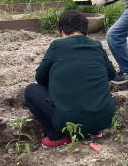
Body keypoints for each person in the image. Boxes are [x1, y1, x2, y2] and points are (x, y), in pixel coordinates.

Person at [25, 10, 117, 148]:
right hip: (105, 117)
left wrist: (57, 83)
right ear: (85, 30)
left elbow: (40, 77)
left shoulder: (57, 46)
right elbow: (112, 75)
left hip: (69, 119)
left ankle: (57, 136)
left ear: (62, 31)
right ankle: (94, 129)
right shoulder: (97, 46)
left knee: (31, 90)